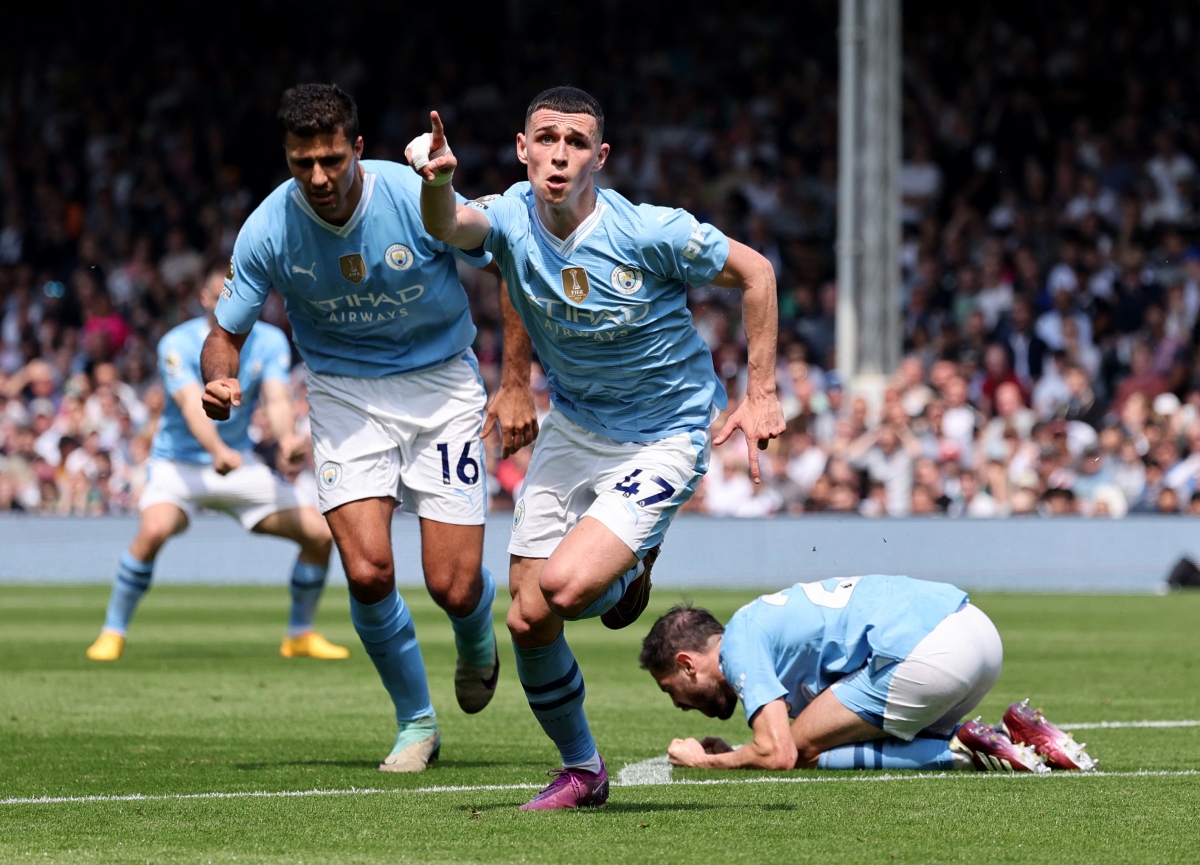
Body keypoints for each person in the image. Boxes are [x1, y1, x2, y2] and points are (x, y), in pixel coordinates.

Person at [409, 86, 785, 809]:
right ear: (523, 149)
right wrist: (438, 181)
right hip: (577, 427)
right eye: (545, 138)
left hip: (666, 433)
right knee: (525, 614)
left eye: (576, 142)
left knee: (568, 589)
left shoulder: (649, 231)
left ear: (599, 157)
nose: (559, 153)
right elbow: (450, 226)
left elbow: (757, 272)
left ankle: (632, 567)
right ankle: (583, 768)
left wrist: (761, 390)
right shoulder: (512, 216)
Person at [200, 84, 537, 773]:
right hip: (344, 395)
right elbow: (224, 332)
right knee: (366, 569)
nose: (318, 178)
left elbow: (507, 260)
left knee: (451, 584)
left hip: (441, 385)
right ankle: (416, 722)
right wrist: (219, 377)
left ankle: (476, 638)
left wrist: (512, 383)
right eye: (302, 164)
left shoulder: (414, 194)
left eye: (330, 159)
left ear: (356, 148)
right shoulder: (268, 227)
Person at [86, 266, 345, 662]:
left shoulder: (271, 340)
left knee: (319, 535)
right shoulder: (177, 342)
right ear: (205, 299)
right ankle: (113, 631)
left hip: (237, 462)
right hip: (180, 464)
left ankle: (299, 634)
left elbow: (277, 399)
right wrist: (217, 450)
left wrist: (288, 439)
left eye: (241, 294)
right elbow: (192, 405)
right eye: (223, 294)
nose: (234, 301)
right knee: (154, 531)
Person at [639, 576, 1096, 774]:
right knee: (852, 740)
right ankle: (1011, 735)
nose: (678, 704)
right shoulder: (761, 624)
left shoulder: (739, 644)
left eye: (670, 690)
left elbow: (781, 753)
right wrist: (743, 750)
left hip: (928, 652)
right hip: (976, 630)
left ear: (687, 663)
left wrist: (708, 761)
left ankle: (966, 751)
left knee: (804, 749)